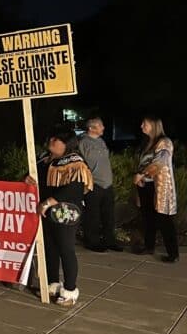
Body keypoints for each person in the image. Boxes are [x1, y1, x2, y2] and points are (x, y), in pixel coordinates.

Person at [27, 125, 93, 307]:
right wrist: (28, 179)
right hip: (46, 213)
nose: (51, 142)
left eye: (56, 139)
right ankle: (52, 283)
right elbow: (33, 177)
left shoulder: (76, 162)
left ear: (66, 144)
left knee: (66, 249)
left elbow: (74, 189)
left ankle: (70, 290)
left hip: (66, 213)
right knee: (50, 248)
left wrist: (49, 201)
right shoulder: (44, 160)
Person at [133, 114, 179, 262]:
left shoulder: (164, 142)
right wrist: (140, 178)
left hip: (159, 186)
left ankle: (173, 254)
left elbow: (160, 162)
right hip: (146, 185)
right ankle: (149, 246)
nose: (141, 126)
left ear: (153, 125)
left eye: (144, 123)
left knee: (164, 219)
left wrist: (141, 174)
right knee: (148, 217)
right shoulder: (147, 142)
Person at [78, 117, 122, 252]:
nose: (103, 128)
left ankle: (109, 240)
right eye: (100, 126)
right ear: (91, 128)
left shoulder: (101, 141)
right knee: (93, 215)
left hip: (107, 184)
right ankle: (92, 241)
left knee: (109, 214)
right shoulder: (83, 142)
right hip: (94, 184)